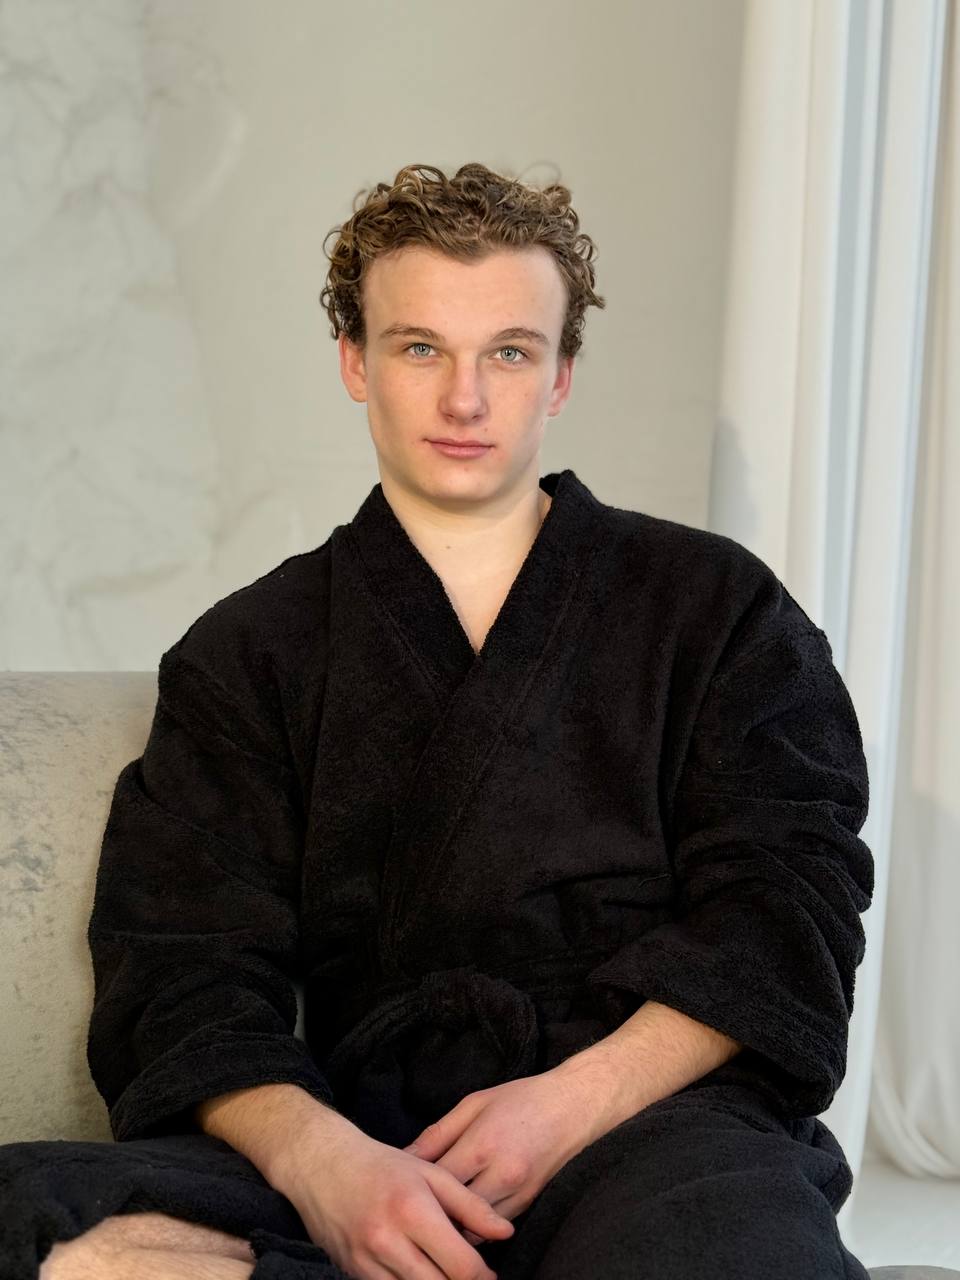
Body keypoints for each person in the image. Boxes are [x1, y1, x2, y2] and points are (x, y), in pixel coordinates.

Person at [0, 162, 875, 1280]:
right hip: (369, 1139)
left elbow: (788, 902)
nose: (465, 399)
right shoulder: (248, 652)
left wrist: (566, 1105)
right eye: (421, 348)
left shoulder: (716, 607)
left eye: (508, 351)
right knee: (35, 1220)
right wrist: (327, 1166)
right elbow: (181, 966)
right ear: (355, 361)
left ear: (560, 376)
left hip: (654, 1131)